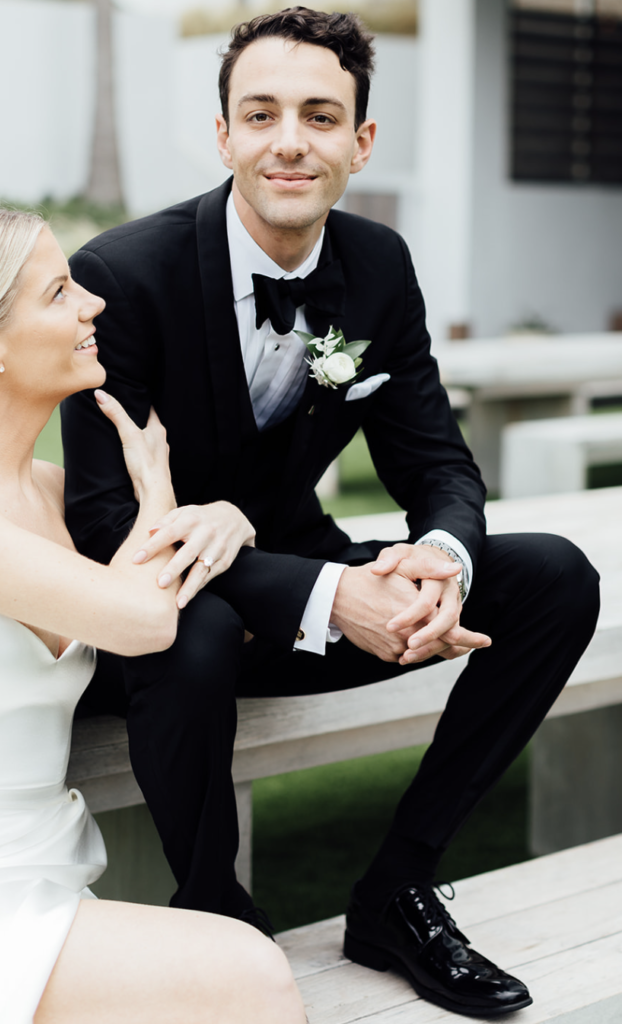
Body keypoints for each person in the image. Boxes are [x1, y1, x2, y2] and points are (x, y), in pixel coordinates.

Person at [61, 7, 601, 1018]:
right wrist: (326, 594)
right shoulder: (121, 276)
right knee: (190, 626)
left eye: (319, 115)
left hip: (298, 594)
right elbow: (101, 524)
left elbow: (434, 457)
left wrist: (439, 559)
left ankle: (395, 888)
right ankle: (216, 913)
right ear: (221, 135)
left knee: (553, 576)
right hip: (158, 630)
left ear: (360, 142)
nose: (288, 141)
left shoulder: (377, 264)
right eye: (259, 114)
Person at [0, 208, 305, 1024]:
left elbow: (143, 583)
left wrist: (225, 518)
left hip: (42, 865)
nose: (92, 305)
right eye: (60, 292)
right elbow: (143, 620)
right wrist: (159, 484)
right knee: (254, 975)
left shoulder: (56, 495)